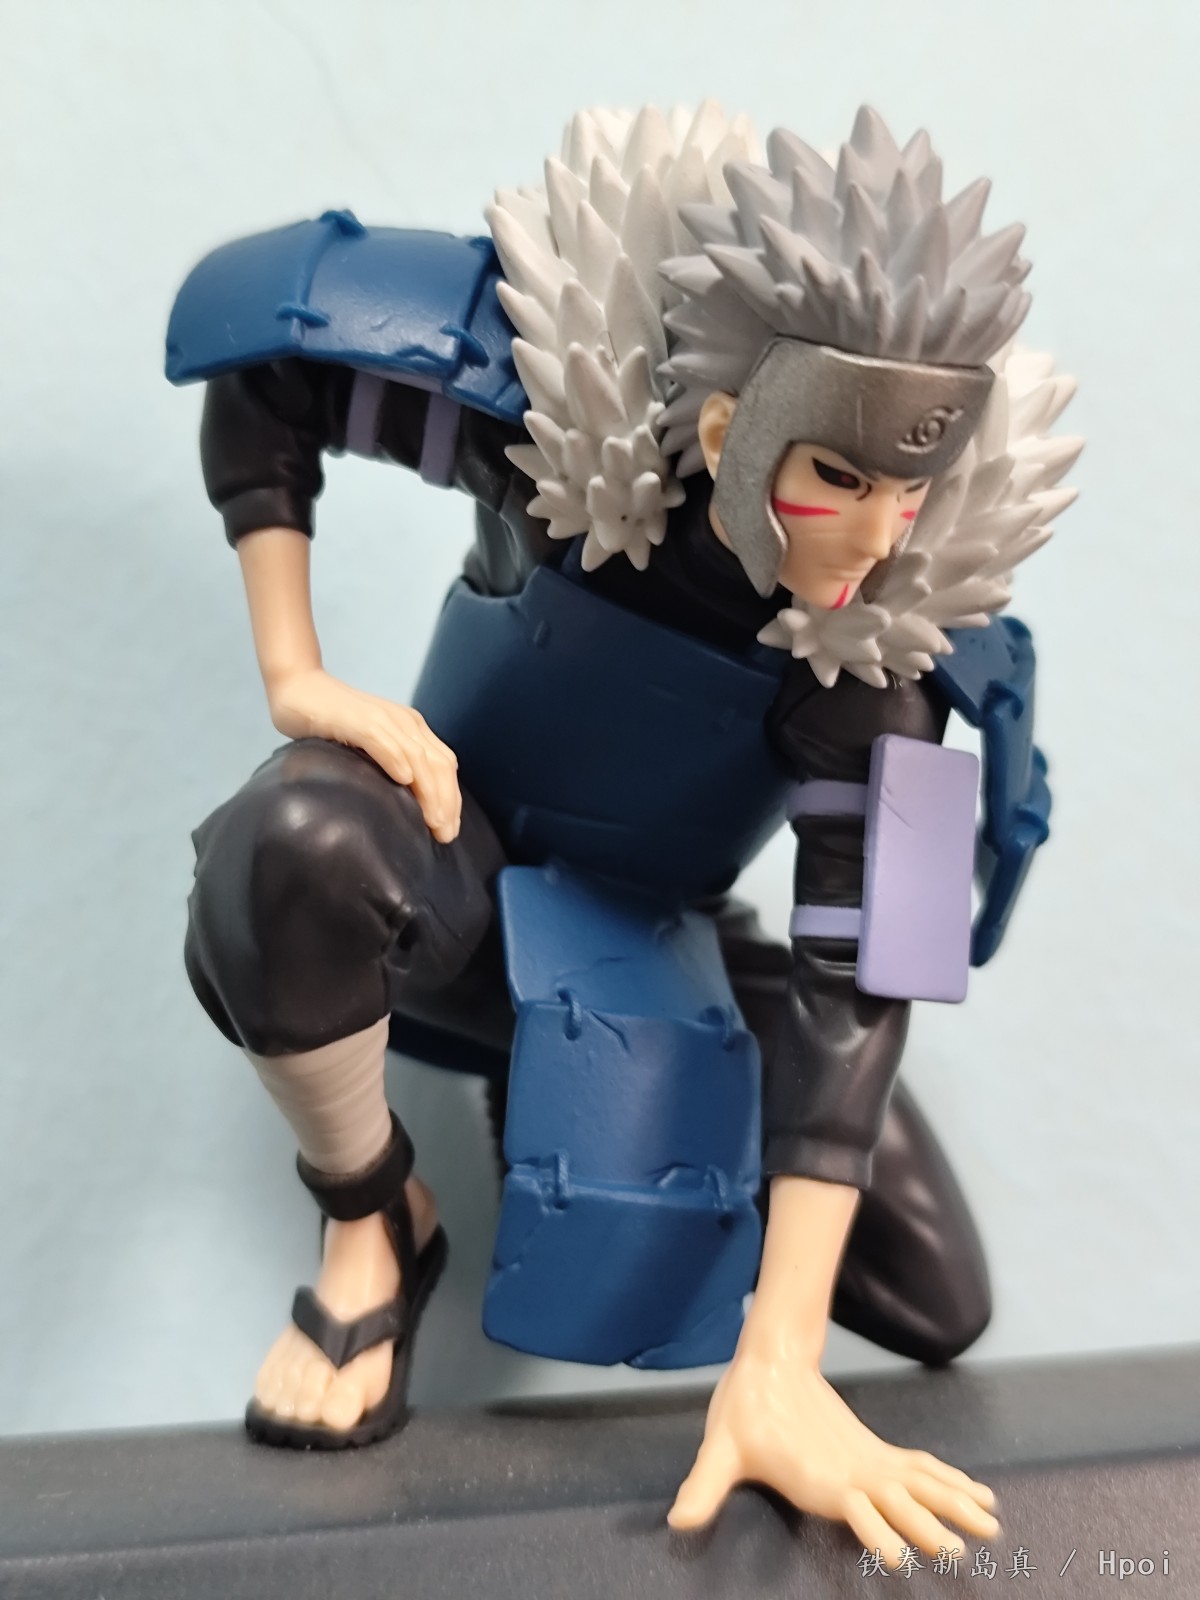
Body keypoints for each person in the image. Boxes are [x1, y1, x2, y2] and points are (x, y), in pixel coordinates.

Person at [167, 103, 1078, 1564]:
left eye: (910, 489)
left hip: (662, 948)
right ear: (727, 429)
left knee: (934, 1296)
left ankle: (588, 1108)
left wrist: (779, 1363)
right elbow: (262, 357)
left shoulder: (879, 672)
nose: (878, 538)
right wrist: (298, 675)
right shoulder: (550, 444)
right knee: (291, 850)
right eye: (841, 479)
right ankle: (371, 1219)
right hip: (439, 878)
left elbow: (865, 982)